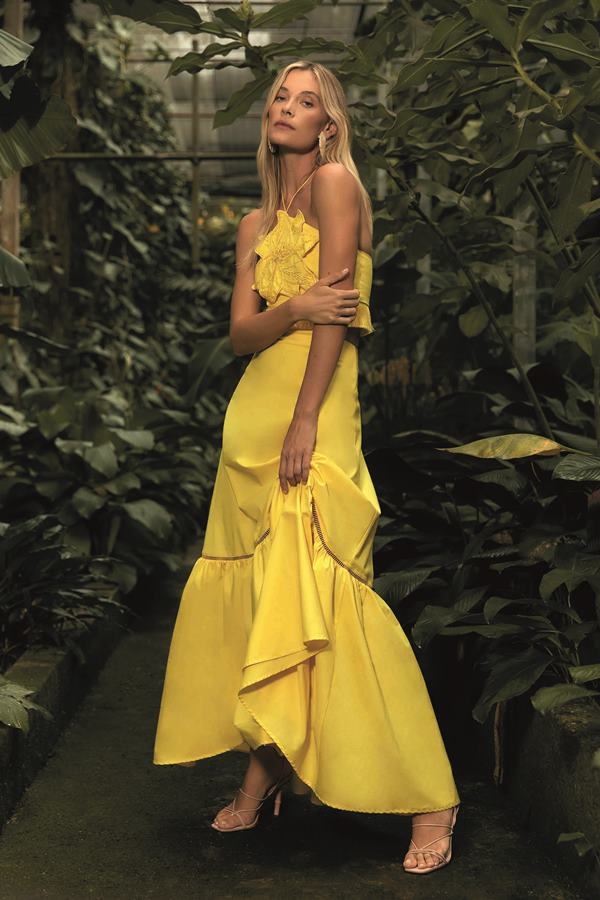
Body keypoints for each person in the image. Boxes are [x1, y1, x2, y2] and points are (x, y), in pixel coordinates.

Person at [153, 60, 460, 875]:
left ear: (330, 122)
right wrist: (291, 306)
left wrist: (304, 419)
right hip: (249, 425)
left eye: (305, 99)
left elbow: (340, 323)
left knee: (332, 597)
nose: (286, 109)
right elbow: (244, 337)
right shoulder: (257, 223)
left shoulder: (334, 184)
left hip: (309, 418)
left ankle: (433, 798)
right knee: (272, 604)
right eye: (279, 98)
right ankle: (270, 774)